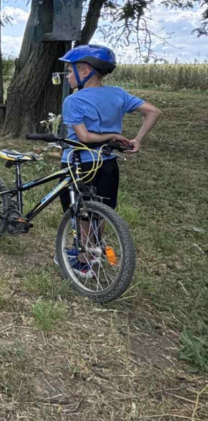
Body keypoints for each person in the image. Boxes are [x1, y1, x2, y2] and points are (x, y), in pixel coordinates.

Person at [57, 45, 161, 276]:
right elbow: (153, 111)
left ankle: (84, 262)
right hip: (107, 163)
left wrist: (111, 135)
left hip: (79, 163)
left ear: (85, 71)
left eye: (70, 71)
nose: (67, 76)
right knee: (102, 208)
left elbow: (84, 137)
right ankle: (93, 252)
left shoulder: (73, 100)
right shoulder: (118, 94)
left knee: (82, 212)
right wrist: (137, 139)